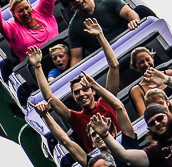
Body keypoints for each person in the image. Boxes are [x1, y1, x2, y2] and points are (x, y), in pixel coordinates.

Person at [27, 19, 121, 152]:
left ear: (93, 91)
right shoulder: (76, 119)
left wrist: (100, 36)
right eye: (77, 92)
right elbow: (49, 96)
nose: (81, 94)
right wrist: (37, 66)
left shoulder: (107, 102)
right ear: (74, 97)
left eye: (84, 90)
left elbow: (114, 65)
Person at [30, 70, 138, 167]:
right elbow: (65, 141)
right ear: (92, 142)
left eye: (85, 89)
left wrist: (94, 85)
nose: (99, 135)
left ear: (113, 133)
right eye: (94, 135)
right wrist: (37, 66)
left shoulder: (127, 144)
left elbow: (120, 107)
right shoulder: (94, 164)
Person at [64, 0, 140, 66]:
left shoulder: (108, 1)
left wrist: (133, 21)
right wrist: (74, 78)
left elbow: (129, 13)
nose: (76, 0)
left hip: (131, 47)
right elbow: (76, 58)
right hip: (108, 62)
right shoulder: (74, 26)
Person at [129, 46, 172, 117]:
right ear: (135, 67)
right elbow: (144, 116)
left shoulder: (171, 74)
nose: (146, 64)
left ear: (152, 59)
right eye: (141, 62)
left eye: (147, 59)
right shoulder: (137, 90)